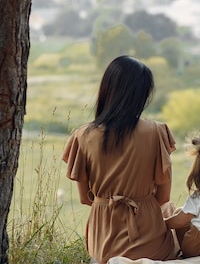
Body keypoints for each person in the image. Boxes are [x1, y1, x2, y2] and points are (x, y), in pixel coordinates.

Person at [62, 55, 177, 264]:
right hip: (151, 245)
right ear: (141, 95)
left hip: (103, 245)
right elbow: (163, 198)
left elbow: (85, 199)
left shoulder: (82, 136)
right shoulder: (156, 132)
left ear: (107, 90)